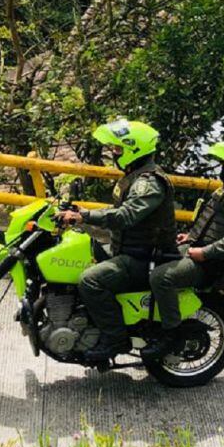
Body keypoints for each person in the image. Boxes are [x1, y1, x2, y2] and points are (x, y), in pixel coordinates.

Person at [55, 119, 177, 362]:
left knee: (90, 281)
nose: (114, 154)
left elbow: (126, 215)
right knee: (83, 253)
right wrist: (78, 210)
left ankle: (115, 338)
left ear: (136, 148)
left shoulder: (148, 182)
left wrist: (83, 216)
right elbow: (120, 209)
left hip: (144, 257)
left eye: (119, 149)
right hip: (128, 249)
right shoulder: (135, 175)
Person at [144, 138, 224, 360]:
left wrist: (204, 252)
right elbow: (213, 222)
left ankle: (170, 335)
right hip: (197, 249)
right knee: (148, 257)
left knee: (161, 278)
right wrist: (191, 236)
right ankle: (146, 327)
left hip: (214, 263)